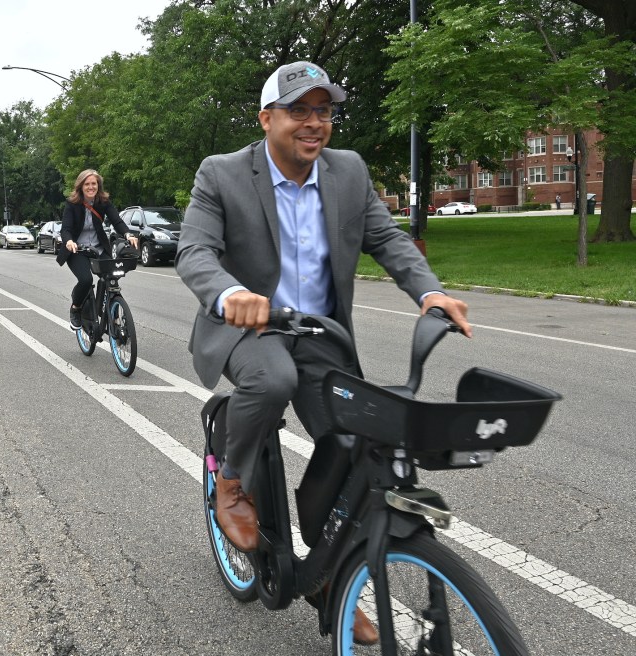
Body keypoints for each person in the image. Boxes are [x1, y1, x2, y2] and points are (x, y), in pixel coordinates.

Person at [176, 61, 472, 645]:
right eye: (299, 111)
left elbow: (386, 239)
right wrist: (231, 293)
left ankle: (326, 574)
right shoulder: (223, 174)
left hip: (319, 333)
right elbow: (194, 252)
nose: (315, 123)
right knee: (272, 379)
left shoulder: (349, 173)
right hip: (250, 329)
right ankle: (231, 478)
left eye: (324, 111)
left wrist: (430, 291)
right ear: (267, 119)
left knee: (352, 443)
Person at [56, 169, 138, 330]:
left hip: (99, 249)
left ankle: (108, 307)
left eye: (94, 183)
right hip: (77, 250)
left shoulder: (103, 202)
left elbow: (117, 220)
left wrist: (128, 234)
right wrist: (69, 241)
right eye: (87, 184)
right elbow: (65, 228)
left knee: (112, 276)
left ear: (98, 185)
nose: (91, 187)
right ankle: (76, 308)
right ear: (81, 186)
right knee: (86, 280)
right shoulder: (72, 204)